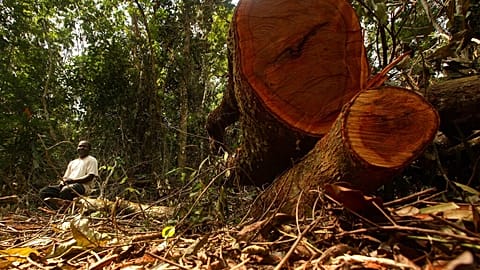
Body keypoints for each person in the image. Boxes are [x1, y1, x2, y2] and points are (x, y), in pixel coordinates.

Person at [39, 140, 98, 207]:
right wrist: (62, 182)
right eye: (80, 146)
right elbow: (65, 177)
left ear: (89, 149)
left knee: (66, 190)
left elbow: (90, 176)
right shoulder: (73, 162)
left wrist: (73, 181)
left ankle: (64, 208)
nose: (81, 148)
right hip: (68, 185)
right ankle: (53, 208)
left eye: (84, 146)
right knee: (44, 191)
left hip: (83, 186)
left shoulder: (92, 160)